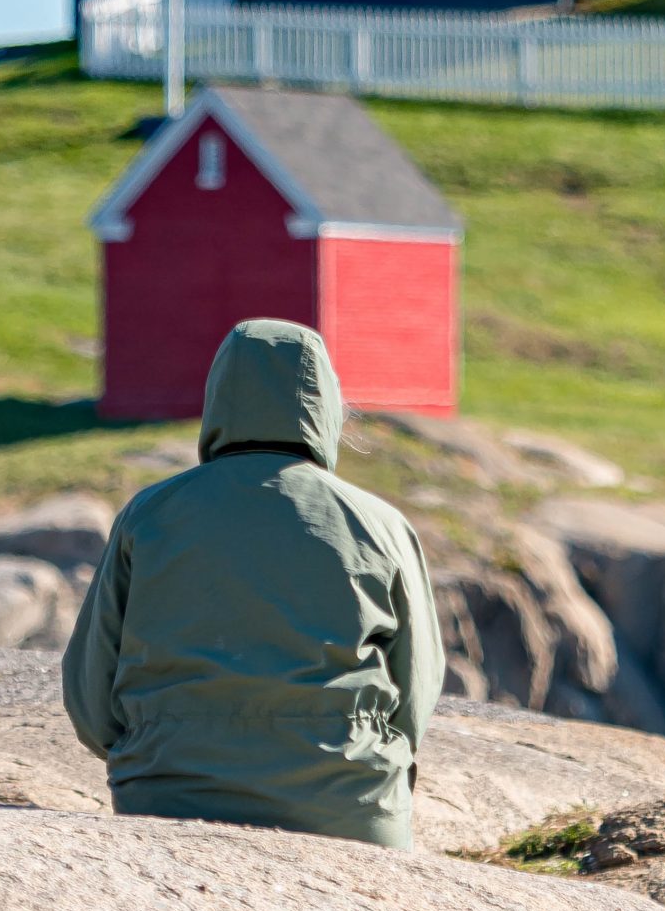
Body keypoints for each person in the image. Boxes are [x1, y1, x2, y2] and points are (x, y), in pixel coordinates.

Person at [62, 317, 442, 848]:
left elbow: (89, 684)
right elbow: (417, 681)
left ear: (218, 397)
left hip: (167, 792)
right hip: (347, 802)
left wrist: (145, 754)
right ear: (326, 407)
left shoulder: (150, 513)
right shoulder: (380, 523)